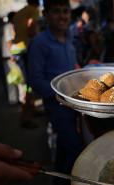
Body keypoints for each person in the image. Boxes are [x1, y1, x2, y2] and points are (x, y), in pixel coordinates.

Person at [28, 0, 84, 184]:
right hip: (56, 107)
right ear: (46, 15)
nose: (62, 16)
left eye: (65, 11)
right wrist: (59, 95)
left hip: (72, 106)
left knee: (63, 148)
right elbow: (35, 80)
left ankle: (56, 181)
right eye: (56, 11)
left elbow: (71, 72)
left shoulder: (68, 40)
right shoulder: (39, 42)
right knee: (76, 151)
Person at [11, 0, 41, 128]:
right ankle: (25, 118)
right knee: (29, 84)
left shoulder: (20, 12)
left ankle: (32, 109)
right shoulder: (32, 10)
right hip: (25, 49)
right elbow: (31, 28)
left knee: (29, 83)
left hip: (18, 49)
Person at [0, 12, 25, 106]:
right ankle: (21, 99)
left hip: (6, 56)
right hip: (11, 56)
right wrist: (12, 55)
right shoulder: (10, 26)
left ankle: (14, 99)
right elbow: (9, 41)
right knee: (18, 78)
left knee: (12, 79)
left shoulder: (4, 26)